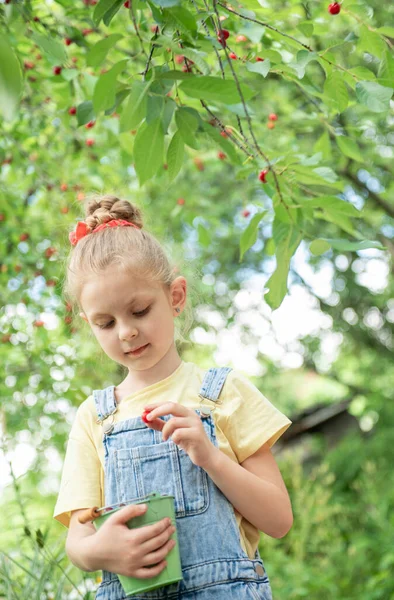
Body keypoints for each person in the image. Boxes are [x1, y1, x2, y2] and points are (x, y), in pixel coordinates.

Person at [53, 193, 293, 600]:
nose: (126, 331)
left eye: (140, 311)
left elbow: (279, 519)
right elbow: (78, 539)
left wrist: (209, 456)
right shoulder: (94, 416)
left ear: (175, 297)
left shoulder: (223, 393)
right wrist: (100, 551)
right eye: (105, 322)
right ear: (87, 323)